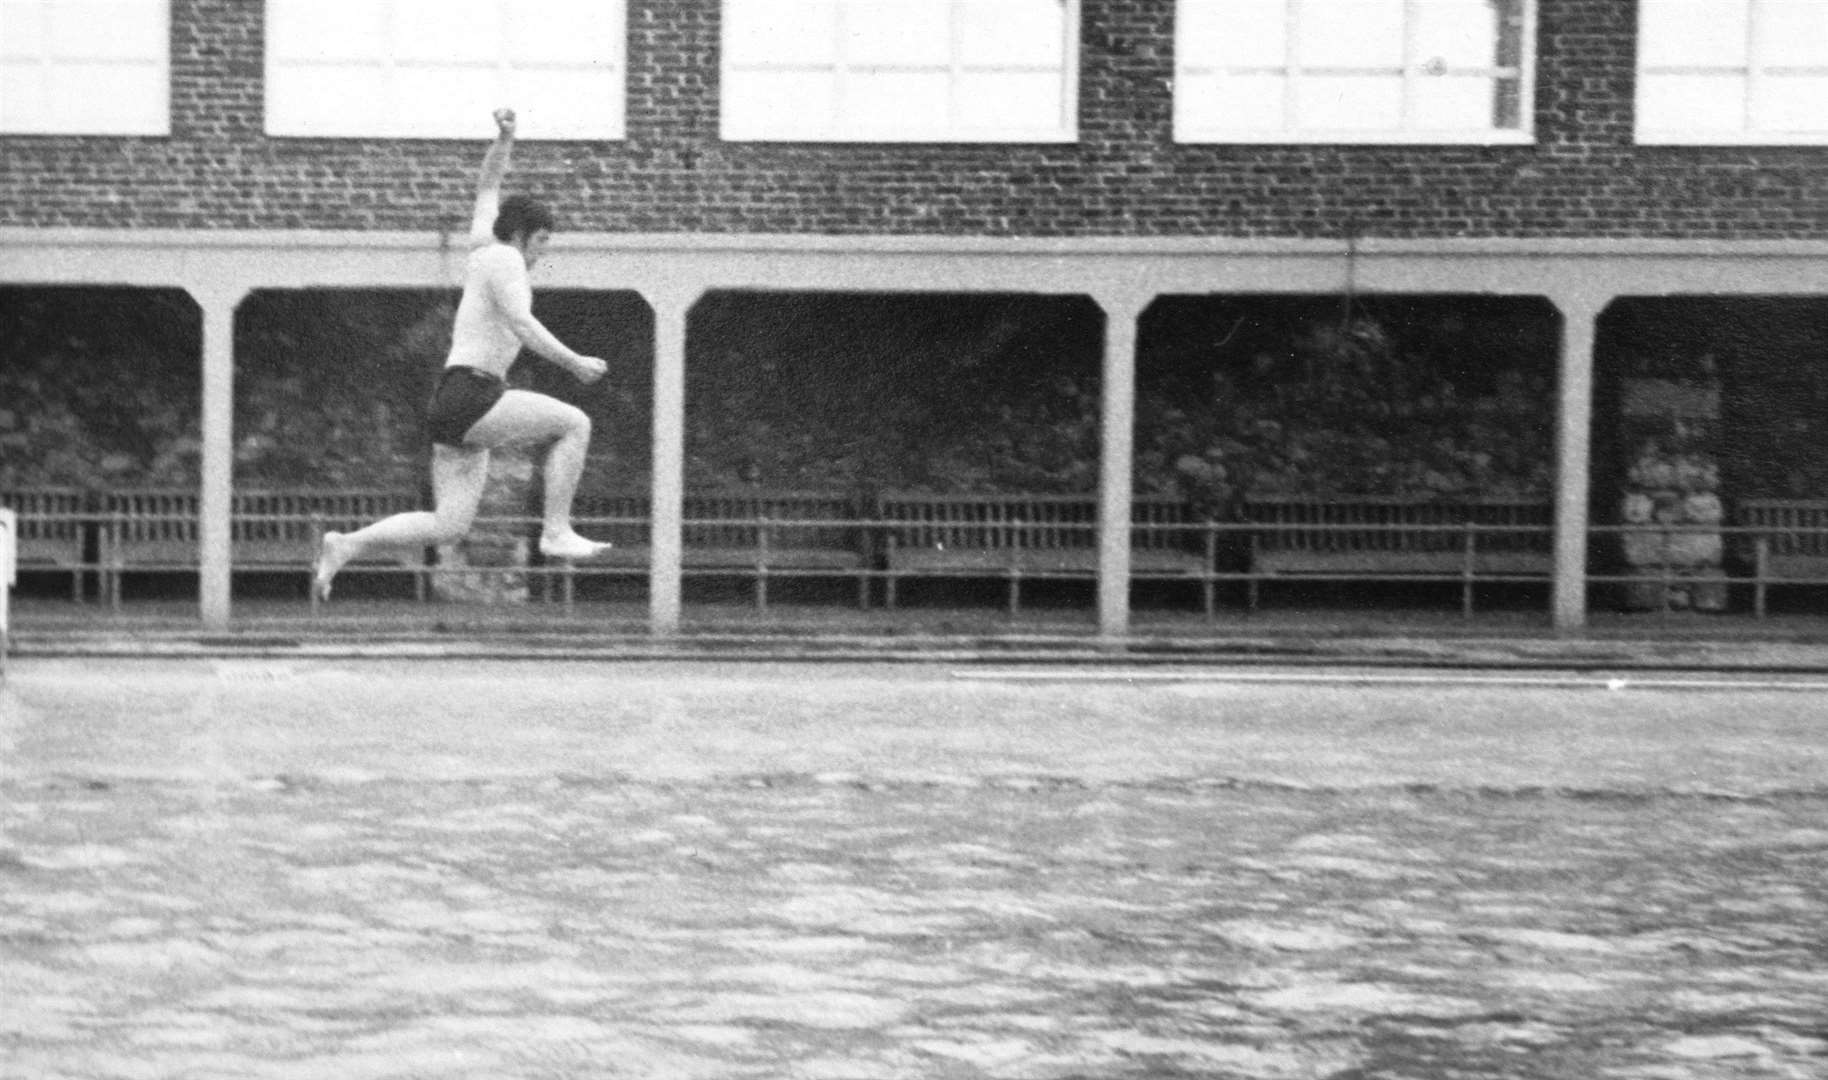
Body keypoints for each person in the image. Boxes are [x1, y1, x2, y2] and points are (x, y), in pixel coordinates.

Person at [313, 107, 613, 602]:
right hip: (474, 394)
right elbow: (521, 323)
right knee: (575, 423)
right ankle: (556, 529)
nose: (540, 254)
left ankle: (346, 545)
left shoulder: (482, 246)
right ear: (521, 236)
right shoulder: (506, 258)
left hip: (454, 400)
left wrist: (506, 139)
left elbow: (487, 185)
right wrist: (575, 362)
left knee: (448, 525)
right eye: (540, 242)